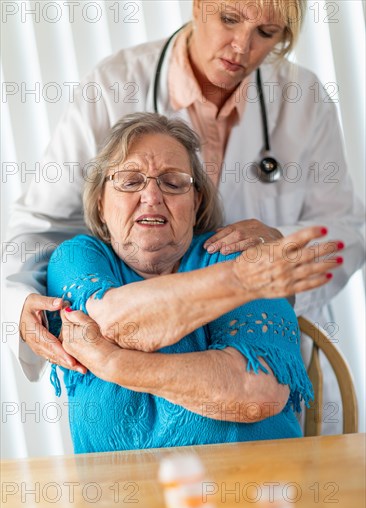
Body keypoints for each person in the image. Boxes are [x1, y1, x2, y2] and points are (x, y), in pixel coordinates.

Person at [4, 0, 364, 385]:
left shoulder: (304, 98)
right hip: (138, 350)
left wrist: (278, 253)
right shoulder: (113, 86)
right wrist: (19, 305)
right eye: (229, 19)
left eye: (266, 33)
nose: (242, 46)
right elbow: (43, 223)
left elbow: (345, 228)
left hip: (260, 353)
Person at [46, 113, 340, 453]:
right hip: (122, 501)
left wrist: (116, 364)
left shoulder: (234, 250)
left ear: (196, 201)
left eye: (173, 183)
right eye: (130, 182)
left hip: (255, 491)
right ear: (100, 203)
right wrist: (241, 281)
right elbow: (116, 321)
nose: (152, 196)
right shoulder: (77, 259)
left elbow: (257, 393)